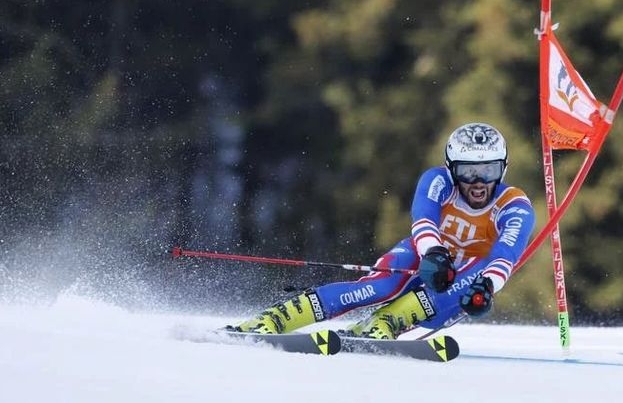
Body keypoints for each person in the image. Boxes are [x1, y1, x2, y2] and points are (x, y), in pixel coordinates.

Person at [229, 122, 535, 339]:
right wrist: (435, 253)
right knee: (378, 288)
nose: (478, 182)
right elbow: (424, 220)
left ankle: (385, 323)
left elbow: (505, 256)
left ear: (503, 169)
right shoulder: (438, 180)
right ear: (451, 167)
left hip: (466, 275)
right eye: (468, 171)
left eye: (489, 170)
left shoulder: (514, 205)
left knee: (463, 282)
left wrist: (486, 288)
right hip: (427, 250)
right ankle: (278, 318)